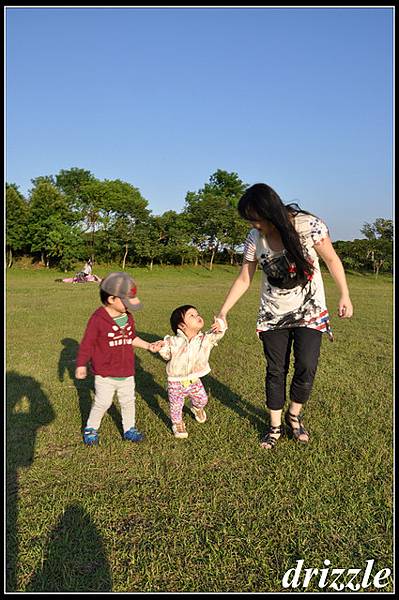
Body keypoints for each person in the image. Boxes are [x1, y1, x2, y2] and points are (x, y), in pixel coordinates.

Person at [215, 183, 353, 449]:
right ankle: (274, 425)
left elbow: (332, 260)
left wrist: (344, 294)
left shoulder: (308, 226)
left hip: (309, 311)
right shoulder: (255, 239)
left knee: (306, 365)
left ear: (270, 212)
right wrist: (223, 311)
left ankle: (294, 416)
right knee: (275, 370)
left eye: (255, 219)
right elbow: (245, 277)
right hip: (273, 314)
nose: (253, 225)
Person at [75, 272, 164, 445]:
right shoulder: (98, 319)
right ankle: (91, 427)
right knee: (103, 402)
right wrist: (81, 364)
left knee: (128, 402)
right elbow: (87, 344)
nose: (129, 307)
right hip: (105, 373)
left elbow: (131, 337)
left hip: (126, 371)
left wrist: (148, 346)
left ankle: (129, 428)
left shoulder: (128, 317)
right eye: (126, 302)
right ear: (111, 299)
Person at [158, 305, 226, 438]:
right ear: (182, 326)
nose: (198, 316)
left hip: (194, 379)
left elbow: (217, 335)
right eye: (192, 316)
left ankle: (197, 408)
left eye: (197, 314)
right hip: (176, 382)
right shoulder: (173, 341)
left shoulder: (205, 339)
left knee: (202, 399)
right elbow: (166, 355)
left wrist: (220, 326)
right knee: (176, 406)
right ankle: (178, 424)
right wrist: (161, 348)